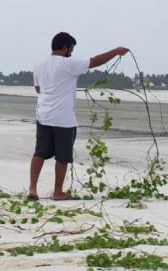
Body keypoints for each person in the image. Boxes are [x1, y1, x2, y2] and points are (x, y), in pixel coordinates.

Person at [28, 32, 128, 201]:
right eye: (71, 49)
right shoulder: (68, 63)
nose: (72, 53)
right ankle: (58, 192)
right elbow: (95, 61)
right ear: (65, 48)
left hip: (43, 115)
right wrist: (116, 51)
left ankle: (32, 189)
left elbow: (39, 90)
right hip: (63, 119)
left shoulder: (39, 65)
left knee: (39, 152)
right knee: (62, 156)